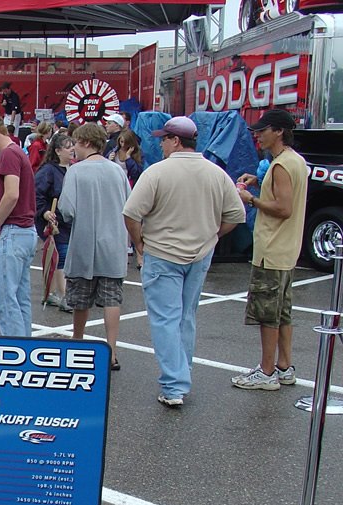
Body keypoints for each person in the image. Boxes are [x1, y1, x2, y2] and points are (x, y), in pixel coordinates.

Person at [123, 116, 247, 407]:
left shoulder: (157, 172)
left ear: (175, 141)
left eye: (164, 139)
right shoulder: (216, 173)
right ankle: (182, 373)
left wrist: (140, 243)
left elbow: (131, 213)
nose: (161, 144)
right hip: (201, 251)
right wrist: (214, 234)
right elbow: (236, 215)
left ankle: (174, 384)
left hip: (162, 252)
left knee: (165, 318)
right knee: (186, 317)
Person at [231, 108, 309, 391]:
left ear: (279, 132)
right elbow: (284, 196)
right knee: (282, 312)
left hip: (272, 250)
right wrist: (260, 182)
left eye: (263, 131)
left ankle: (266, 372)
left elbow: (283, 208)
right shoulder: (294, 161)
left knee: (267, 314)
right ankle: (284, 367)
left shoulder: (280, 165)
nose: (258, 136)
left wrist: (250, 198)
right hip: (287, 249)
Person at [51, 123, 131, 368]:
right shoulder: (117, 170)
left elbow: (67, 209)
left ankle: (78, 343)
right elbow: (130, 203)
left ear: (86, 142)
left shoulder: (76, 171)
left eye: (75, 142)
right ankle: (112, 351)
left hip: (85, 243)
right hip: (114, 243)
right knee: (111, 299)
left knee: (81, 298)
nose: (73, 147)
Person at [0, 112, 37, 337]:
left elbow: (11, 194)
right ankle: (25, 352)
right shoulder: (17, 152)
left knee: (5, 301)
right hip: (25, 231)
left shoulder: (8, 155)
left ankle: (14, 354)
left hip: (13, 231)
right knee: (20, 299)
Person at [35, 132, 74, 312]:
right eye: (68, 146)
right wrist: (45, 212)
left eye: (72, 145)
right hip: (55, 222)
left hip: (71, 221)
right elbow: (37, 195)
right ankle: (63, 295)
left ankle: (51, 293)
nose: (72, 149)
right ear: (57, 151)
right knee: (61, 257)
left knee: (63, 258)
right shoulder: (48, 171)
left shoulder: (73, 169)